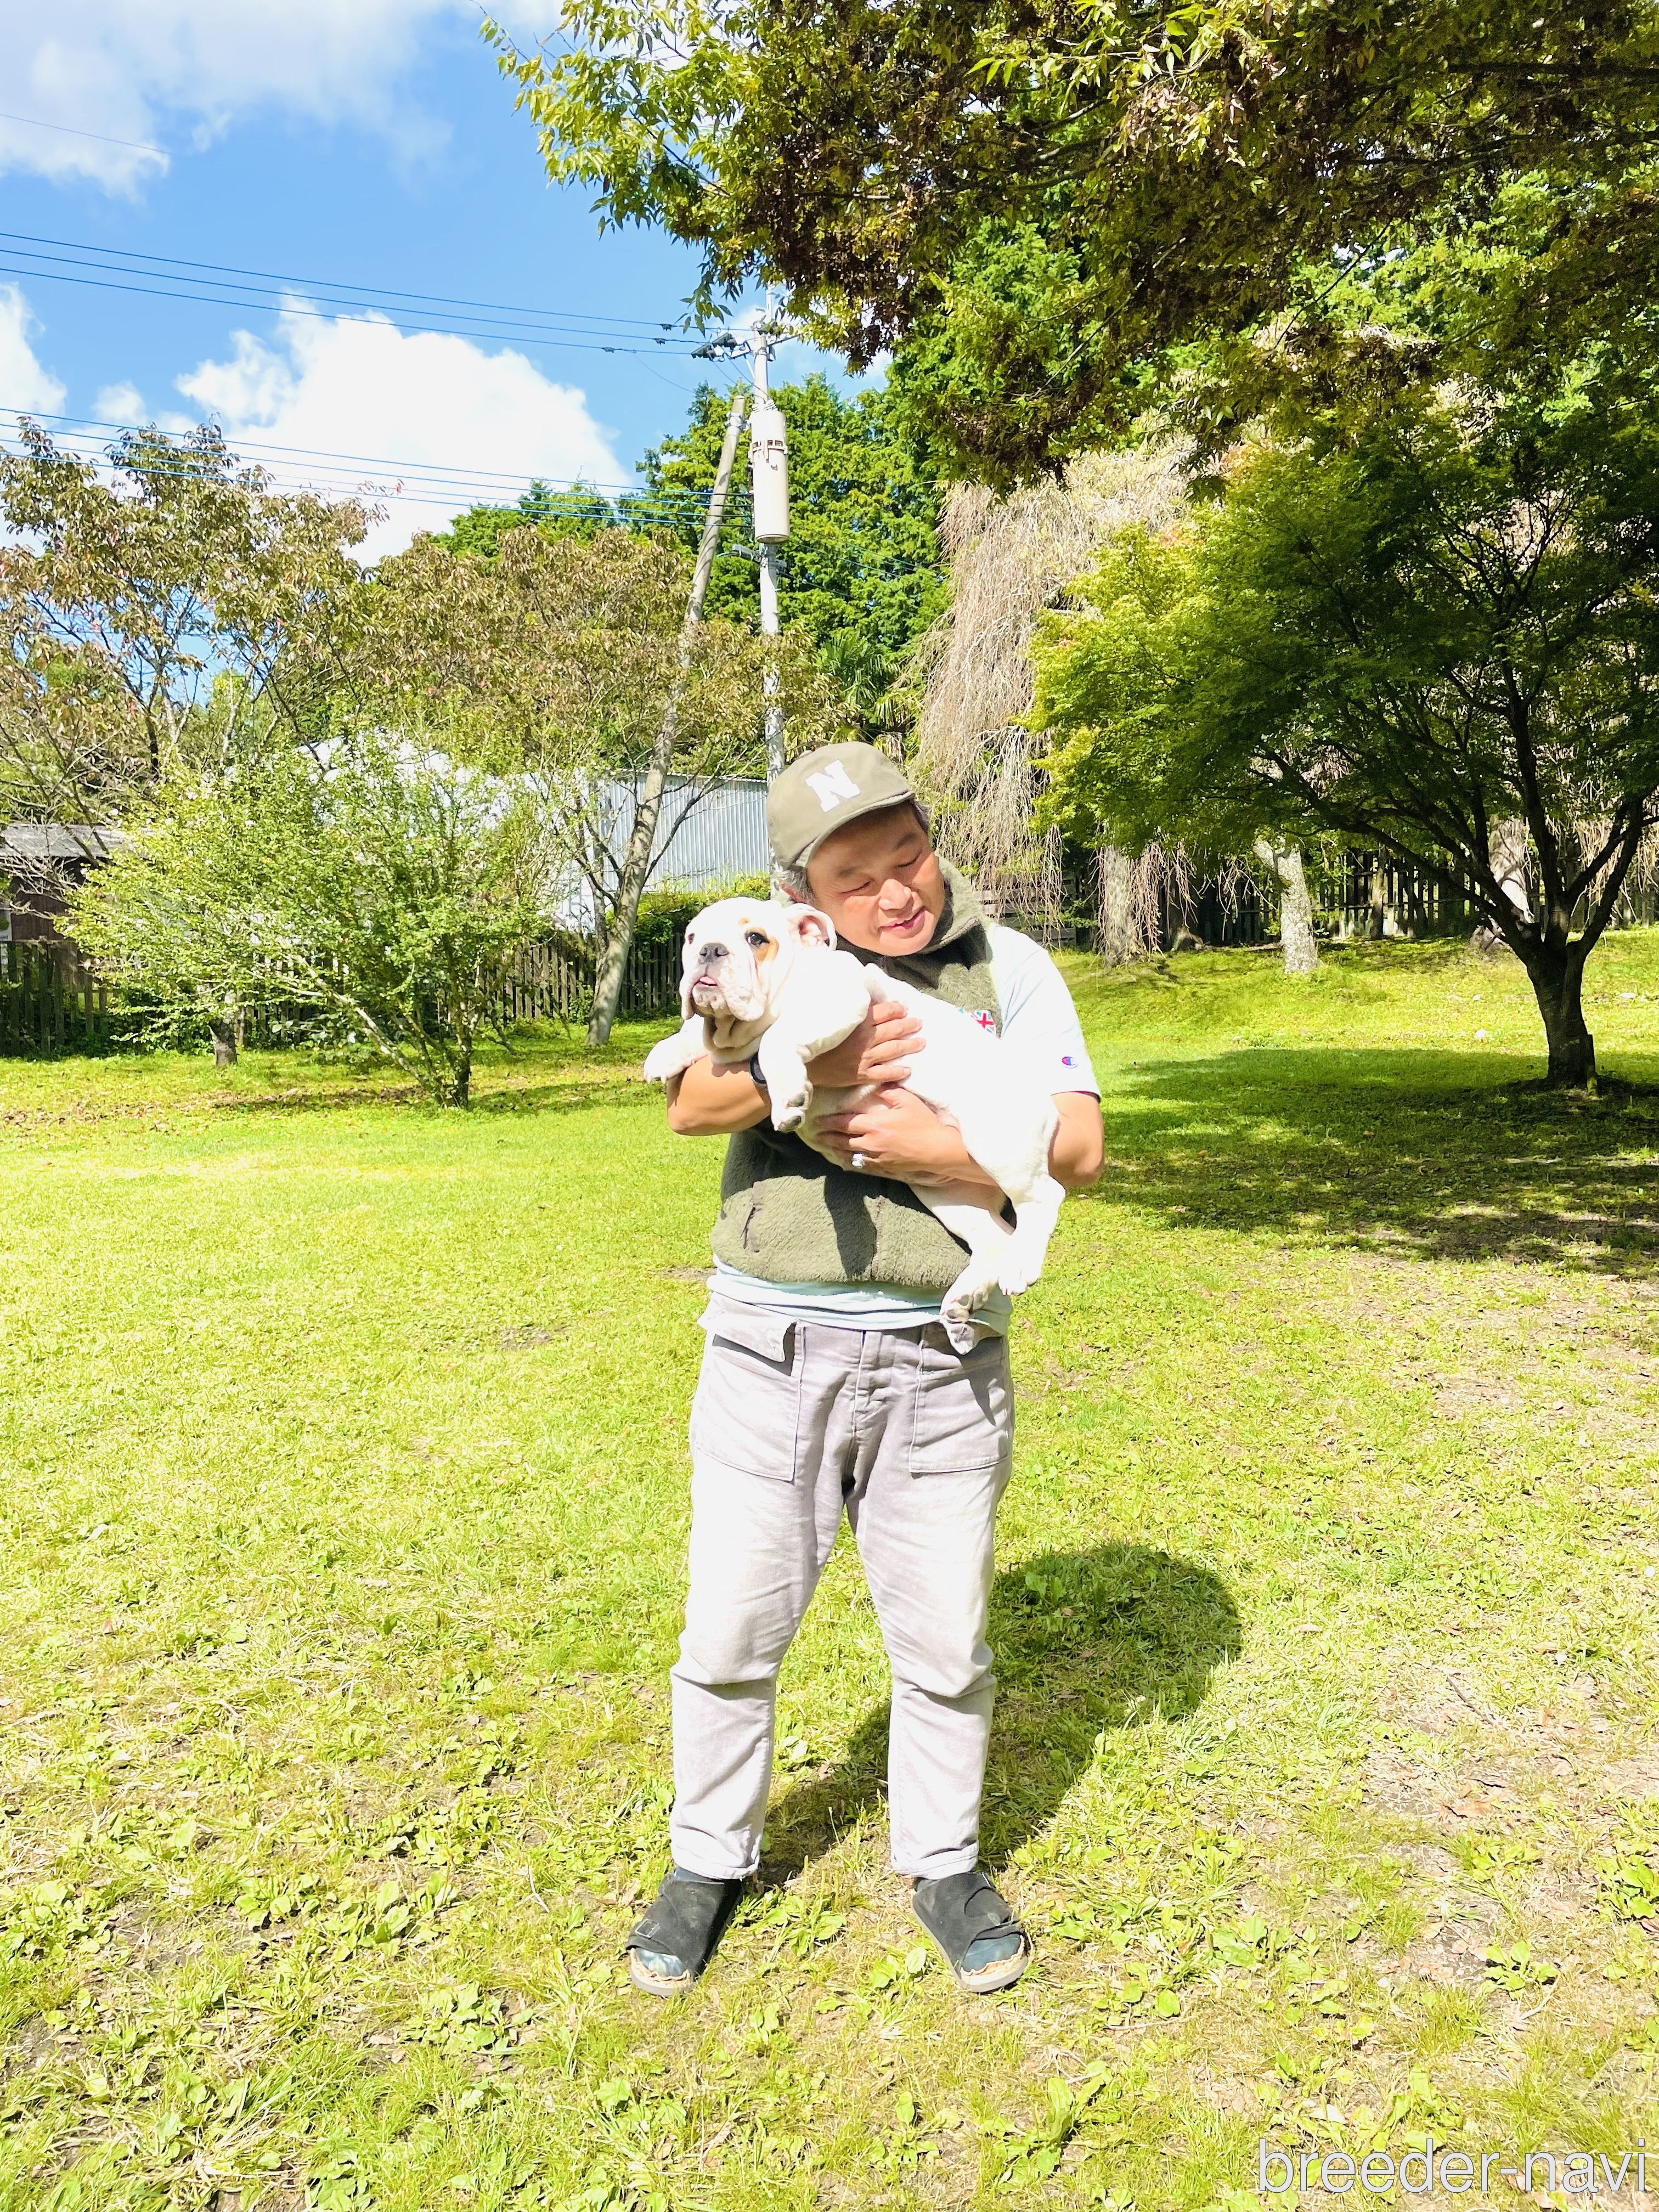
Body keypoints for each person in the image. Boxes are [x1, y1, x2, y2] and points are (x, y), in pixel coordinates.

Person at [626, 742, 1103, 1997]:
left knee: (945, 1640)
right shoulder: (769, 960)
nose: (896, 892)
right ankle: (706, 1860)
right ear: (806, 903)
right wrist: (821, 1066)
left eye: (909, 855)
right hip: (769, 1345)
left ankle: (943, 1865)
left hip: (943, 1359)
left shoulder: (1008, 968)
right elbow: (687, 1106)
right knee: (731, 1628)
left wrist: (931, 1149)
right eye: (857, 879)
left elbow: (1080, 1146)